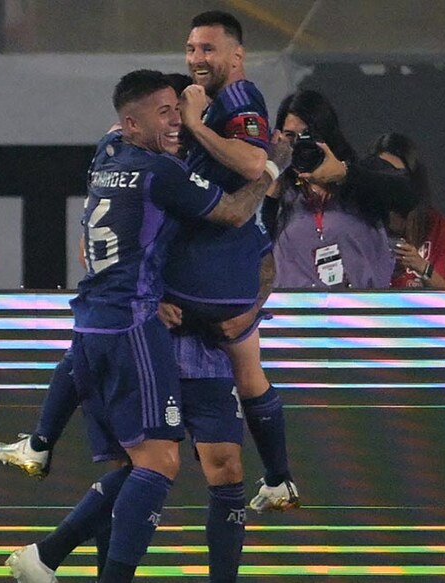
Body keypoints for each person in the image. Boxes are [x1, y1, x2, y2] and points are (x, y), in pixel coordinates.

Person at [4, 69, 289, 583]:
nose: (177, 121)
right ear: (132, 124)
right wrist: (270, 167)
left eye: (179, 110)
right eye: (166, 113)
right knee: (156, 466)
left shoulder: (108, 153)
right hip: (134, 327)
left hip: (92, 325)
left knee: (148, 465)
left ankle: (44, 520)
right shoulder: (163, 171)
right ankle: (58, 553)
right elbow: (231, 212)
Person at [168, 9, 300, 513]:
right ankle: (280, 478)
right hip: (229, 255)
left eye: (208, 49)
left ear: (236, 56)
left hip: (220, 257)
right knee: (248, 374)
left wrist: (192, 124)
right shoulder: (218, 100)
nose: (197, 58)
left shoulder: (241, 98)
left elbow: (250, 162)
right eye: (191, 48)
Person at [266, 91, 420, 289]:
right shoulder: (280, 188)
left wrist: (344, 174)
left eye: (306, 135)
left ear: (325, 134)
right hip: (297, 312)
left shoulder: (361, 173)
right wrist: (269, 185)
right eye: (289, 136)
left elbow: (409, 196)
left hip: (359, 311)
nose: (298, 144)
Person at [369, 132, 445, 288]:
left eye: (397, 174)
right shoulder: (356, 221)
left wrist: (421, 266)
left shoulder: (437, 226)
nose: (389, 181)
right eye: (382, 172)